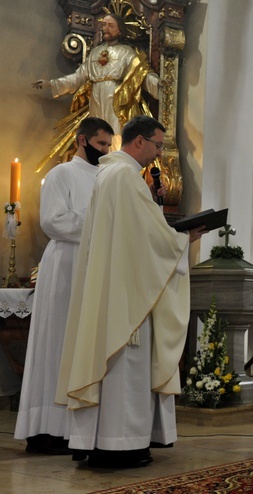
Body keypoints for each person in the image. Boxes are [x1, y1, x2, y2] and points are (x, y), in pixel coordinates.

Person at [55, 116, 205, 468]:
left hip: (116, 281)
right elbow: (148, 236)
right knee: (125, 363)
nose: (157, 153)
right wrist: (185, 238)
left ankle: (99, 441)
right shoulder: (123, 177)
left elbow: (136, 229)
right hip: (126, 290)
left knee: (115, 363)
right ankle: (120, 444)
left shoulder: (111, 174)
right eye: (156, 145)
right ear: (138, 141)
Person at [13, 117, 114, 455]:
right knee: (56, 343)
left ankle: (76, 430)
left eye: (109, 145)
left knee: (81, 347)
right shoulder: (61, 174)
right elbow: (54, 221)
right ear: (82, 140)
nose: (106, 151)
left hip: (93, 265)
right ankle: (46, 430)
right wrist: (101, 223)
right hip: (65, 265)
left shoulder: (105, 177)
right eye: (101, 144)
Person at [33, 13, 159, 150]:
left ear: (120, 30)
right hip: (96, 98)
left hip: (116, 99)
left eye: (111, 25)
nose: (106, 28)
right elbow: (78, 77)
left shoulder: (127, 52)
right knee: (96, 134)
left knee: (115, 133)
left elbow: (141, 74)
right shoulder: (95, 53)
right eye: (104, 25)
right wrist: (51, 83)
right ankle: (96, 166)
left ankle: (115, 166)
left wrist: (156, 84)